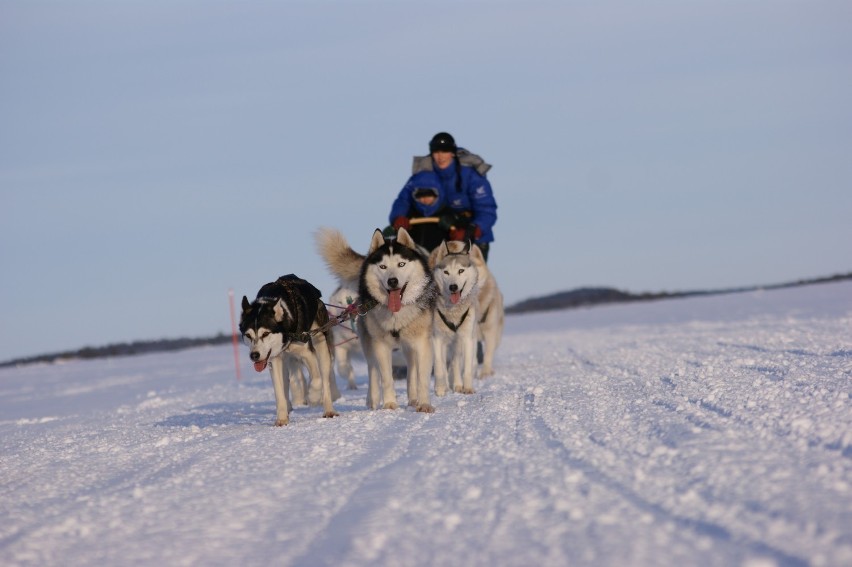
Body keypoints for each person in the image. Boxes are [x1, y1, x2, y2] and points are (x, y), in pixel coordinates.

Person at [387, 132, 497, 260]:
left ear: (453, 153)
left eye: (445, 151)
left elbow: (486, 209)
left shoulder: (471, 176)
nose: (440, 156)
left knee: (470, 275)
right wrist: (399, 217)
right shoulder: (423, 174)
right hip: (438, 233)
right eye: (436, 152)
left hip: (471, 233)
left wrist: (472, 231)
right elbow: (404, 199)